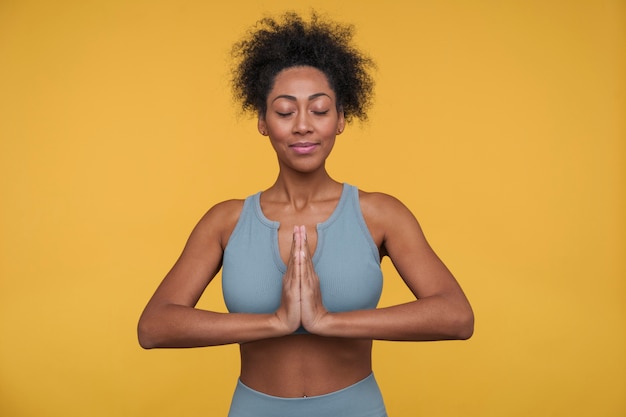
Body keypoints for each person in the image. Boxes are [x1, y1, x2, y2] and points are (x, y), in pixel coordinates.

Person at [138, 11, 474, 417]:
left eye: (319, 110)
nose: (302, 126)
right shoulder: (225, 222)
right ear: (263, 122)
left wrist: (327, 321)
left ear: (342, 119)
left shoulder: (380, 214)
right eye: (284, 111)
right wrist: (275, 322)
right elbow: (154, 327)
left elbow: (457, 317)